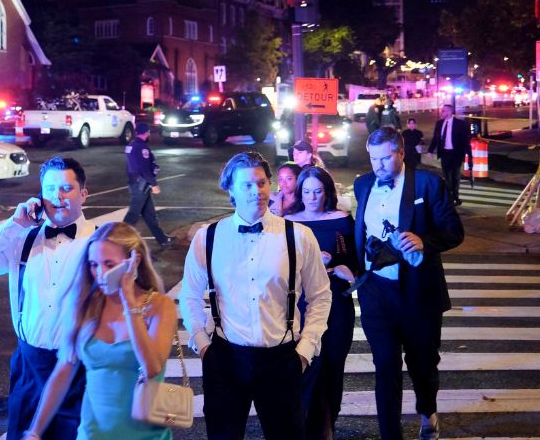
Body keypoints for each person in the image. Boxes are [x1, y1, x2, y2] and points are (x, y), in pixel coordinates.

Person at [180, 151, 332, 439]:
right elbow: (190, 294)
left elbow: (321, 296)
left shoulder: (298, 236)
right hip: (225, 358)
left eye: (261, 183)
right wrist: (202, 344)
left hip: (282, 358)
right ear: (231, 190)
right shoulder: (208, 237)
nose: (257, 191)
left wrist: (305, 351)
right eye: (247, 185)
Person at [0, 156, 94, 439]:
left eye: (66, 189)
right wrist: (15, 223)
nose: (57, 197)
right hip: (29, 366)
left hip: (80, 372)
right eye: (49, 189)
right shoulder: (23, 239)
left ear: (83, 194)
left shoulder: (99, 244)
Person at [353, 127, 464, 440]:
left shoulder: (428, 184)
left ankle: (427, 411)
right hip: (376, 290)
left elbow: (454, 232)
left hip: (418, 291)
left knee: (422, 363)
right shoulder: (362, 184)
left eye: (385, 158)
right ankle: (391, 435)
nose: (379, 165)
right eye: (374, 159)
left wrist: (423, 241)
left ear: (400, 153)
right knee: (385, 364)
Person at [23, 222, 177, 440]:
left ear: (133, 262)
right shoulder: (85, 305)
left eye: (109, 264)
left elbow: (151, 367)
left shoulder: (160, 306)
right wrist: (35, 431)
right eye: (94, 265)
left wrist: (130, 305)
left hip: (147, 436)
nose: (100, 274)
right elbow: (63, 371)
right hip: (92, 434)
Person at [285, 166, 359, 440]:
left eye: (317, 191)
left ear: (327, 192)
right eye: (306, 192)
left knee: (332, 364)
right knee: (307, 364)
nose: (312, 197)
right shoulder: (289, 222)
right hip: (301, 305)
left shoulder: (342, 221)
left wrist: (346, 270)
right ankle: (305, 426)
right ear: (299, 193)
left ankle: (328, 423)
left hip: (337, 304)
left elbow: (355, 261)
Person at [124, 121, 174, 249]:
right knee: (133, 215)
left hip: (136, 184)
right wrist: (154, 184)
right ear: (147, 133)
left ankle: (162, 239)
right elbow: (144, 168)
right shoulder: (142, 148)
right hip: (141, 186)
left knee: (150, 215)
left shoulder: (131, 145)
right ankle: (119, 241)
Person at [427, 104, 471, 206]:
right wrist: (430, 150)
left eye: (443, 111)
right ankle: (448, 197)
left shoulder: (459, 124)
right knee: (447, 177)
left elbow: (465, 140)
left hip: (456, 154)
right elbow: (435, 138)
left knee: (455, 177)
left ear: (449, 112)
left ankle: (455, 197)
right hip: (444, 154)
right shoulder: (439, 123)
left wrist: (468, 154)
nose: (441, 112)